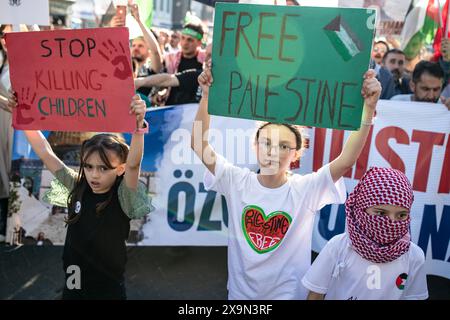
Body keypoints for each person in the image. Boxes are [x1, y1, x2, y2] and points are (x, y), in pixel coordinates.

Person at [191, 65, 382, 299]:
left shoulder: (306, 188)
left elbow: (346, 161)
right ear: (255, 145)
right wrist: (207, 96)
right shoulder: (236, 180)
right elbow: (199, 146)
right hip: (240, 296)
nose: (273, 151)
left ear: (296, 155)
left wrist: (368, 110)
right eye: (267, 142)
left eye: (284, 146)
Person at [7, 92, 153, 300]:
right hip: (73, 280)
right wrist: (23, 114)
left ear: (119, 169)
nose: (94, 174)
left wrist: (139, 127)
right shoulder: (77, 186)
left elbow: (134, 164)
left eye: (103, 168)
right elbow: (45, 151)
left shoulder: (124, 197)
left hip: (107, 286)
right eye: (89, 166)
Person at [302, 167, 429, 300]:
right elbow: (315, 294)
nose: (391, 222)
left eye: (401, 215)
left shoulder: (413, 256)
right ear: (361, 209)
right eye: (381, 213)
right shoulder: (338, 246)